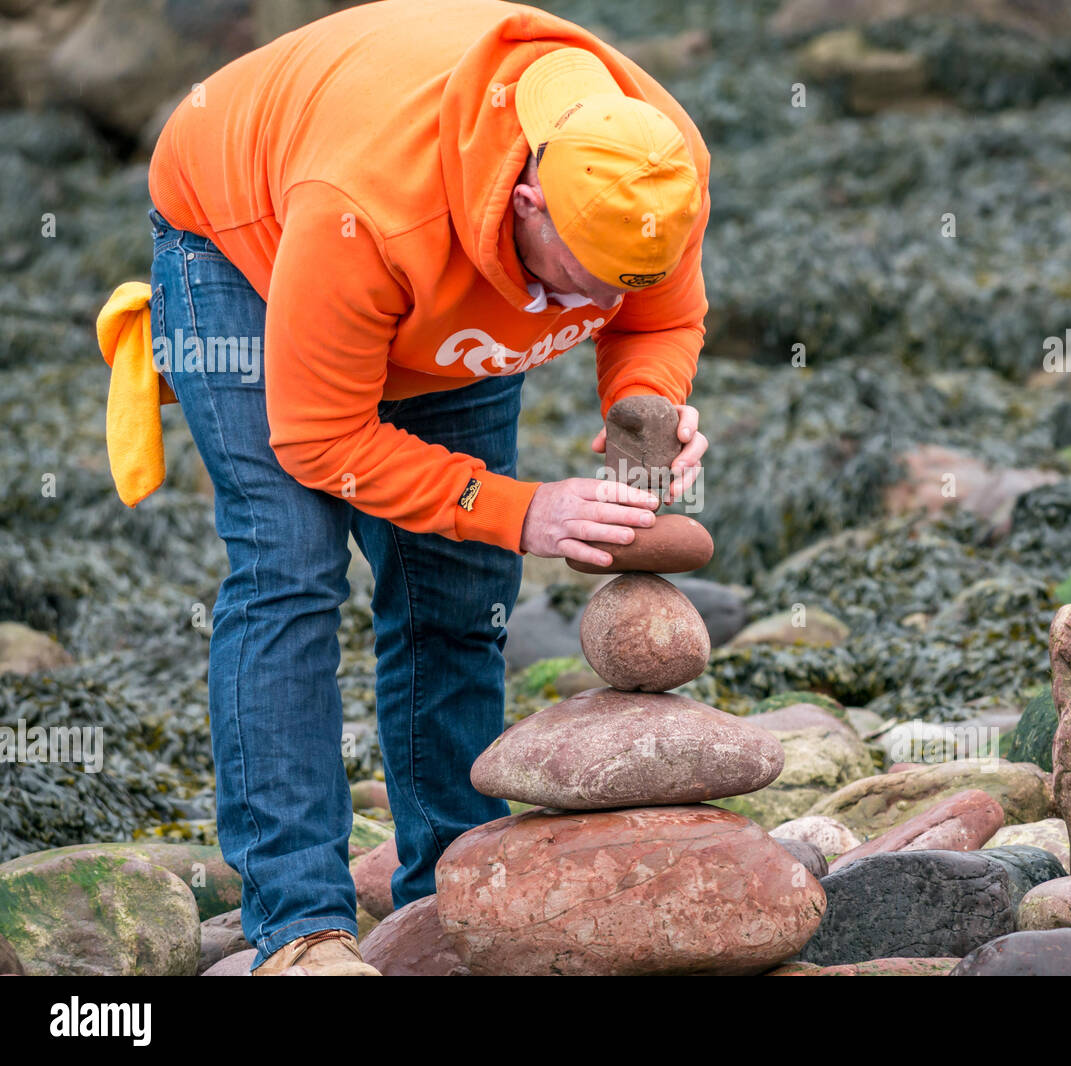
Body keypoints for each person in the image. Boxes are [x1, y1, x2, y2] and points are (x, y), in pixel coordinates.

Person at [141, 0, 710, 975]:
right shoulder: (367, 204)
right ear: (529, 201)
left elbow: (655, 319)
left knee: (455, 590)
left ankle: (453, 891)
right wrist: (524, 510)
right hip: (246, 242)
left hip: (448, 274)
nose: (603, 306)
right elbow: (322, 438)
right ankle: (300, 926)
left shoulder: (647, 171)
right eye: (585, 282)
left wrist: (643, 409)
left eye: (626, 278)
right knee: (290, 570)